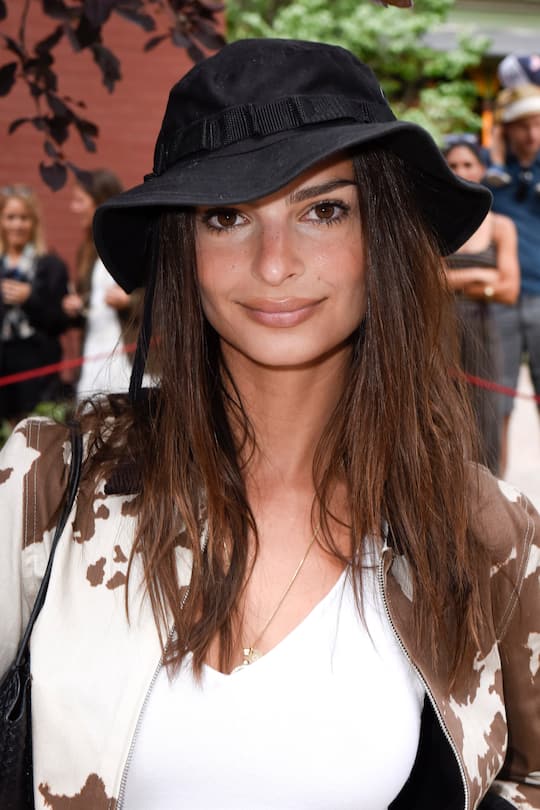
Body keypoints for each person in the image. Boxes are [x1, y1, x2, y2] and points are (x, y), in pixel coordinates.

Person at [0, 39, 538, 810]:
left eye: (323, 209)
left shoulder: (482, 532)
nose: (276, 262)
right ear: (183, 247)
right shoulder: (52, 487)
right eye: (227, 215)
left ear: (378, 239)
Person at [443, 138, 520, 474]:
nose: (461, 171)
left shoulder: (501, 226)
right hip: (442, 333)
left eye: (468, 164)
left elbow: (509, 290)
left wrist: (456, 280)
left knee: (488, 417)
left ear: (483, 169)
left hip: (486, 332)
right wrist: (482, 276)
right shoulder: (433, 225)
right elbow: (430, 280)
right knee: (444, 416)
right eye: (453, 165)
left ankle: (493, 507)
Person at [484, 83, 540, 447]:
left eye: (538, 123)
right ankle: (498, 498)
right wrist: (494, 159)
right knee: (495, 406)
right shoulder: (488, 176)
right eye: (522, 124)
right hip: (500, 301)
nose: (532, 134)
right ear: (506, 128)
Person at [62, 169, 140, 399]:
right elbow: (93, 298)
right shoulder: (86, 249)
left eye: (80, 201)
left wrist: (129, 301)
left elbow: (163, 295)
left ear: (99, 201)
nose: (74, 208)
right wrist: (78, 304)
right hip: (95, 354)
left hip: (130, 357)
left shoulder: (132, 242)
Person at [0, 184, 70, 424]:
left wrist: (30, 298)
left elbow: (59, 322)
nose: (17, 225)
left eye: (24, 218)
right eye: (11, 217)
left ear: (34, 223)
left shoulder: (50, 266)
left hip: (38, 373)